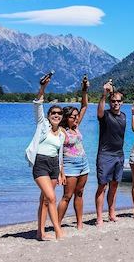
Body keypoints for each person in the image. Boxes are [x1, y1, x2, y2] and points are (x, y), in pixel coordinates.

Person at [25, 77, 66, 240]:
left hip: (54, 165)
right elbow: (37, 104)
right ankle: (57, 230)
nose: (56, 115)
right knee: (51, 197)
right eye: (53, 113)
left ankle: (40, 233)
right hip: (41, 163)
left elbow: (60, 153)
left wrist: (62, 171)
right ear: (49, 116)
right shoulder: (42, 125)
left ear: (62, 116)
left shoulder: (62, 133)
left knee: (44, 200)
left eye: (59, 113)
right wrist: (43, 87)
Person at [57, 78, 90, 229]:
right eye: (73, 116)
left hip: (83, 164)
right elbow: (58, 154)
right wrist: (61, 172)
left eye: (77, 116)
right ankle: (57, 223)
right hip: (70, 166)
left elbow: (84, 106)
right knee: (67, 196)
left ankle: (79, 223)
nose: (76, 118)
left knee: (80, 193)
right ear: (66, 118)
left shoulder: (76, 126)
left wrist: (84, 90)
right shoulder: (61, 131)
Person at [95, 82, 126, 226]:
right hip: (105, 155)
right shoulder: (105, 115)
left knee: (114, 185)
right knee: (102, 186)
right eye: (113, 101)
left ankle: (111, 213)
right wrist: (104, 94)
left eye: (118, 101)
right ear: (110, 102)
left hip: (119, 155)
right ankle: (99, 217)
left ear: (122, 102)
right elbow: (99, 111)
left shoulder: (124, 116)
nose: (116, 103)